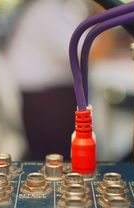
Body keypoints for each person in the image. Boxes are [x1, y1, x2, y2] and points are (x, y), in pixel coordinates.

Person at [6, 0, 90, 160]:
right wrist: (101, 15)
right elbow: (90, 51)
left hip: (43, 97)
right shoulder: (46, 10)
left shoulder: (49, 9)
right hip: (43, 101)